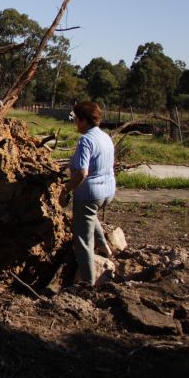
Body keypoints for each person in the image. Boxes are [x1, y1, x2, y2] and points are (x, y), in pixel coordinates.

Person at [59, 101, 116, 284]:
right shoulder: (105, 137)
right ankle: (105, 247)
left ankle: (87, 284)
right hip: (108, 191)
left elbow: (83, 172)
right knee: (89, 216)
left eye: (76, 119)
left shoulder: (86, 140)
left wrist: (66, 189)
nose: (75, 122)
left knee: (83, 240)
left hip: (90, 193)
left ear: (83, 120)